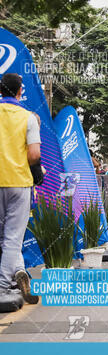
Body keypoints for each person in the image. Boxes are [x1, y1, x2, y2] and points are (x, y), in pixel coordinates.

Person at [0, 73, 41, 305]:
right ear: (19, 92)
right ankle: (3, 287)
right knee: (14, 238)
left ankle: (18, 270)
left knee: (3, 238)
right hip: (18, 181)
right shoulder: (28, 118)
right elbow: (34, 154)